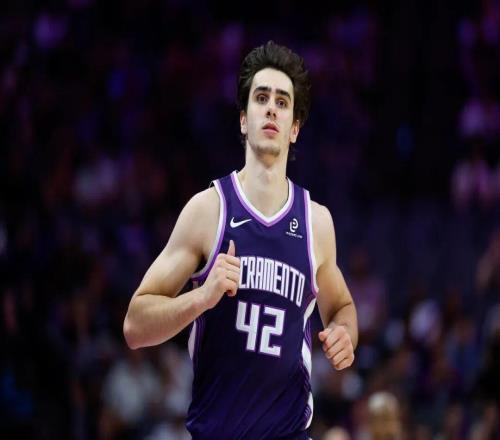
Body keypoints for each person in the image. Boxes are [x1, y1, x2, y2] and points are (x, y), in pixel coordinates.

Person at [123, 41, 358, 439]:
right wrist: (202, 297)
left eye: (282, 102)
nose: (271, 109)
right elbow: (135, 326)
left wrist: (344, 334)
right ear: (244, 120)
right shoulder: (208, 210)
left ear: (294, 129)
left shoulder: (317, 222)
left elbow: (342, 308)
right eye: (261, 98)